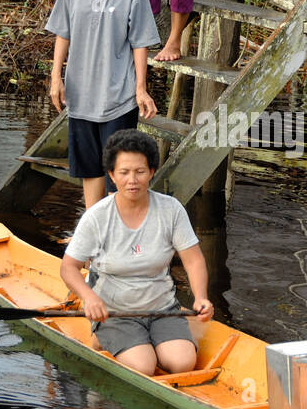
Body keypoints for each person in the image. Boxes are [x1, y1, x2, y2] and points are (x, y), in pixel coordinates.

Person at [59, 129, 214, 374]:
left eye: (140, 171)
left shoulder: (170, 209)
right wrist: (89, 298)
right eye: (124, 172)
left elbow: (193, 260)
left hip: (160, 308)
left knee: (183, 363)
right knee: (144, 366)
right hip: (113, 312)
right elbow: (68, 267)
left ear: (151, 172)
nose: (132, 180)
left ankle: (145, 339)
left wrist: (201, 297)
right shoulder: (97, 217)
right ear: (112, 175)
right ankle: (103, 335)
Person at [45, 0, 160, 209]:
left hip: (118, 95)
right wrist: (56, 77)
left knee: (119, 175)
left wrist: (141, 88)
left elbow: (140, 42)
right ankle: (92, 237)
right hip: (80, 94)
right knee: (89, 170)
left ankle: (116, 241)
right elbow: (63, 30)